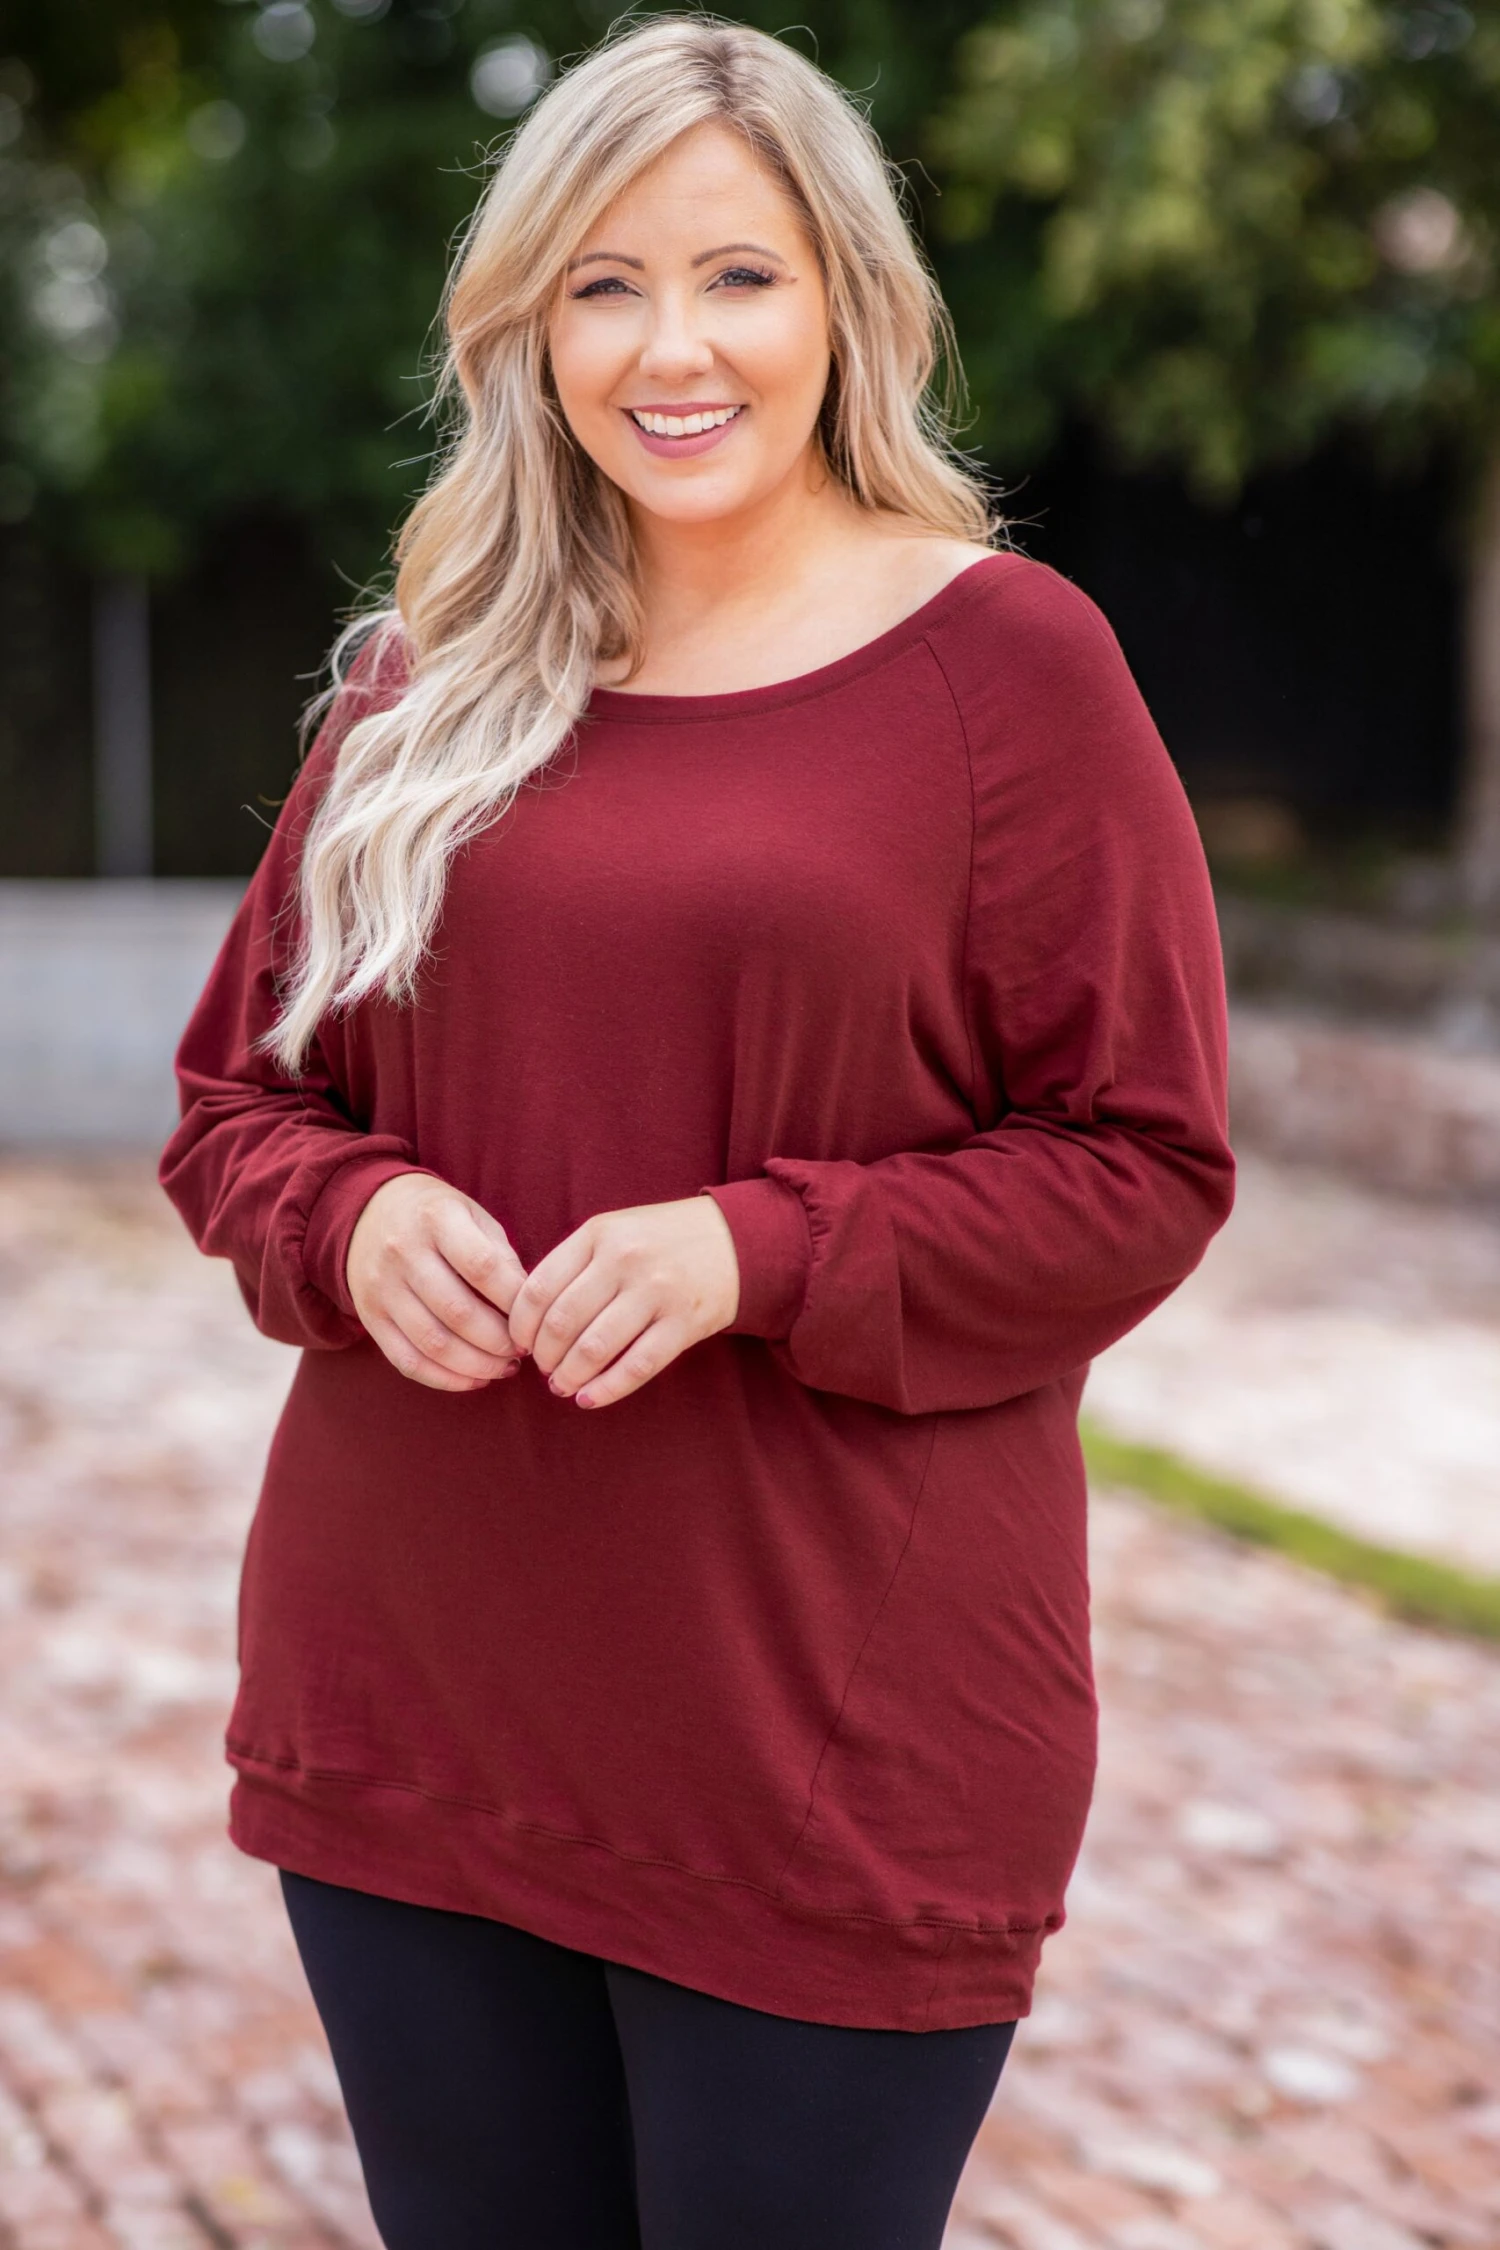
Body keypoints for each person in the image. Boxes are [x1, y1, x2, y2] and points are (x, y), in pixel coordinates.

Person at [159, 14, 1236, 2247]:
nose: (672, 348)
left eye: (738, 275)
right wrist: (349, 1220)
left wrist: (759, 1249)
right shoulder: (427, 682)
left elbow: (1143, 1161)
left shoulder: (1011, 669)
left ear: (846, 299)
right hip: (416, 1701)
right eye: (605, 284)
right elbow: (235, 1103)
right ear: (530, 327)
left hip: (825, 1734)